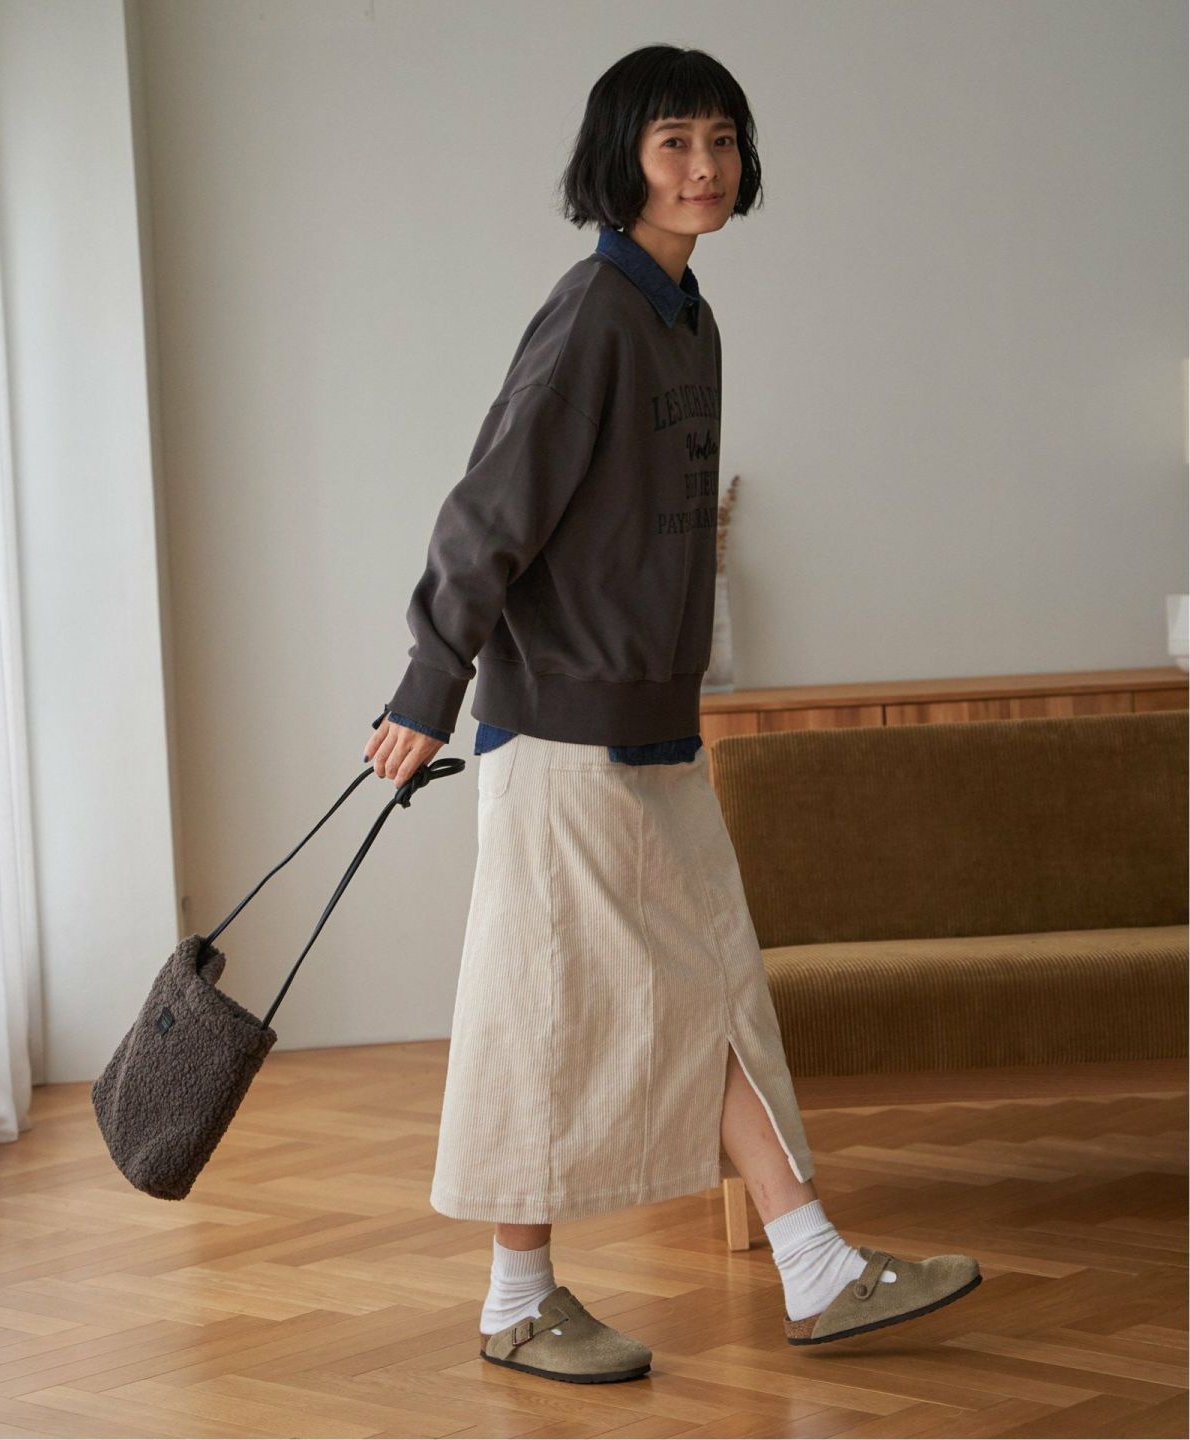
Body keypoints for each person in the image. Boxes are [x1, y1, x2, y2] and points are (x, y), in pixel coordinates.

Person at [362, 44, 981, 1382]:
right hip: (565, 732)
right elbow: (489, 509)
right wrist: (430, 681)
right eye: (674, 144)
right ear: (622, 161)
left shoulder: (686, 317)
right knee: (600, 1002)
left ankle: (740, 1271)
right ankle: (689, 1277)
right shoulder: (595, 312)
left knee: (685, 989)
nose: (705, 168)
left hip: (646, 723)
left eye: (722, 141)